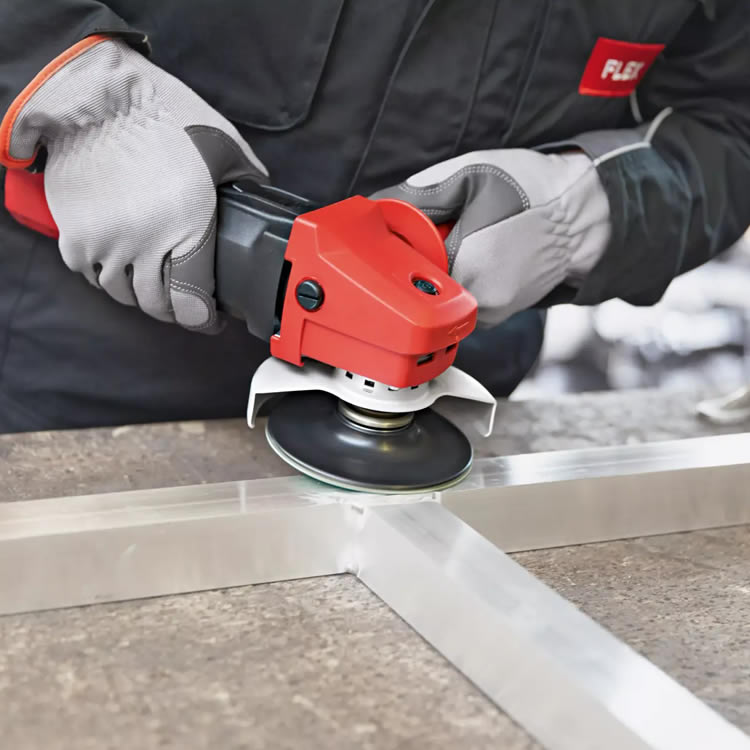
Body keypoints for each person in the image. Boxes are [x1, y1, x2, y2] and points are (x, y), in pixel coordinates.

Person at [0, 1, 748, 432]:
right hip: (79, 356)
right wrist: (79, 93)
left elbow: (731, 126)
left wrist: (586, 210)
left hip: (441, 400)